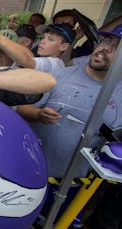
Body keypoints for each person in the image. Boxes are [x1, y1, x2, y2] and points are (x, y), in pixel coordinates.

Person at [17, 25, 122, 178]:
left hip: (75, 186)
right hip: (28, 171)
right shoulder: (59, 75)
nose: (106, 48)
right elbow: (22, 108)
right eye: (106, 41)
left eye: (117, 47)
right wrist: (39, 114)